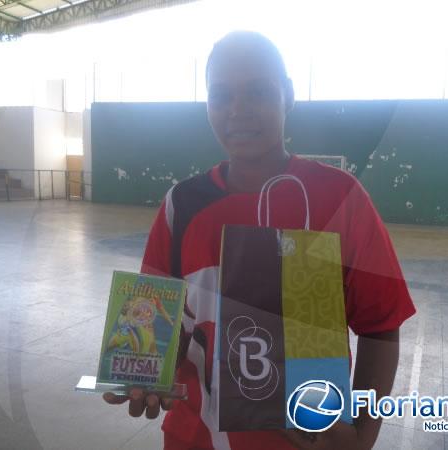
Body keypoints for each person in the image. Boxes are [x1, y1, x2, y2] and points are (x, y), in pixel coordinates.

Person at [104, 31, 416, 450]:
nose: (238, 110)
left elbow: (380, 328)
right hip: (196, 439)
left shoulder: (340, 198)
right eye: (221, 95)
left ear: (288, 94)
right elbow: (164, 320)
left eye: (257, 91)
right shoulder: (181, 205)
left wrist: (361, 437)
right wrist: (147, 375)